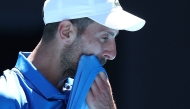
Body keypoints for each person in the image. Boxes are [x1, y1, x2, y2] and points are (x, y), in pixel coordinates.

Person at [0, 0, 145, 108]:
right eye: (104, 37)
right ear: (66, 32)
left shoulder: (92, 101)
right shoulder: (6, 97)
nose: (112, 53)